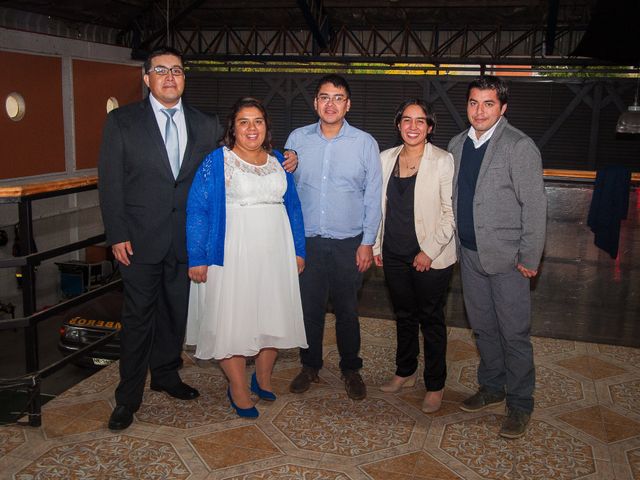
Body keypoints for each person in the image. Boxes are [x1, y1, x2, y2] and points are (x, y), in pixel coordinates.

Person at [99, 46, 223, 431]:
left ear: (185, 77)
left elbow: (233, 159)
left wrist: (283, 157)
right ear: (146, 77)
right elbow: (110, 182)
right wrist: (116, 233)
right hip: (138, 241)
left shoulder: (206, 124)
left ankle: (167, 375)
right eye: (162, 70)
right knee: (138, 319)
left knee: (174, 314)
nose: (170, 77)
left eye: (178, 71)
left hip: (185, 239)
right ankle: (127, 397)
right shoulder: (122, 121)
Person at [186, 97, 307, 418]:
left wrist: (298, 249)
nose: (251, 128)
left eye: (258, 121)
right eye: (244, 121)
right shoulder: (218, 161)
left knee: (273, 315)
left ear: (267, 127)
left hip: (276, 251)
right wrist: (197, 255)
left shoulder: (279, 159)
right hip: (233, 253)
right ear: (233, 128)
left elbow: (293, 207)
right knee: (234, 320)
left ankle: (263, 377)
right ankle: (238, 387)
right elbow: (197, 207)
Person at [448, 76, 547, 439]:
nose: (480, 110)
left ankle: (520, 404)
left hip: (508, 260)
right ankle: (492, 386)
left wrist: (530, 257)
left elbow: (534, 206)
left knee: (514, 334)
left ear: (503, 108)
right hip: (470, 255)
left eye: (489, 104)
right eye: (474, 103)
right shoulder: (457, 144)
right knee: (483, 328)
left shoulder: (519, 146)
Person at [285, 74, 382, 401]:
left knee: (347, 311)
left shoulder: (365, 143)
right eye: (324, 97)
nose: (330, 104)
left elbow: (373, 196)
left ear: (348, 104)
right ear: (315, 103)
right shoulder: (297, 139)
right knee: (309, 309)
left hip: (348, 244)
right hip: (308, 242)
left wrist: (367, 241)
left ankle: (351, 368)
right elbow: (287, 192)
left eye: (338, 97)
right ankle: (309, 365)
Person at [373, 100, 456, 414]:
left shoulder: (443, 161)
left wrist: (429, 252)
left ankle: (435, 385)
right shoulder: (385, 159)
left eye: (420, 121)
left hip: (430, 257)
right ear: (398, 125)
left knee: (431, 320)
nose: (412, 126)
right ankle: (404, 372)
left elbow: (450, 215)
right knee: (404, 316)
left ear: (430, 127)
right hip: (394, 253)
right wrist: (378, 247)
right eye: (406, 120)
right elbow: (378, 209)